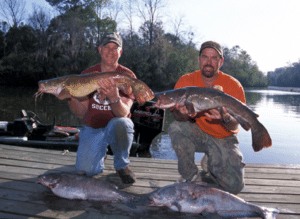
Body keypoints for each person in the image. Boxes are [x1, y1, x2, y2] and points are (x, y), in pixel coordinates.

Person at [168, 41, 246, 194]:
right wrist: (182, 114)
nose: (209, 62)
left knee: (235, 186)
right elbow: (176, 115)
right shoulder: (185, 81)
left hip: (223, 136)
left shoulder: (233, 86)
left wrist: (225, 118)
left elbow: (235, 125)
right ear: (199, 59)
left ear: (221, 61)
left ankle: (210, 161)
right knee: (176, 128)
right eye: (205, 57)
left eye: (214, 58)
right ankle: (190, 175)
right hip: (197, 132)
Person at [67, 32, 136, 184]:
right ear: (99, 49)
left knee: (123, 124)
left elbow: (124, 113)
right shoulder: (86, 75)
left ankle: (121, 165)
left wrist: (114, 98)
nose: (110, 51)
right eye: (106, 47)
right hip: (92, 127)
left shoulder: (127, 76)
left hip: (116, 125)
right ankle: (99, 151)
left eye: (115, 48)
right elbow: (81, 113)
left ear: (120, 52)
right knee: (87, 171)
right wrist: (70, 97)